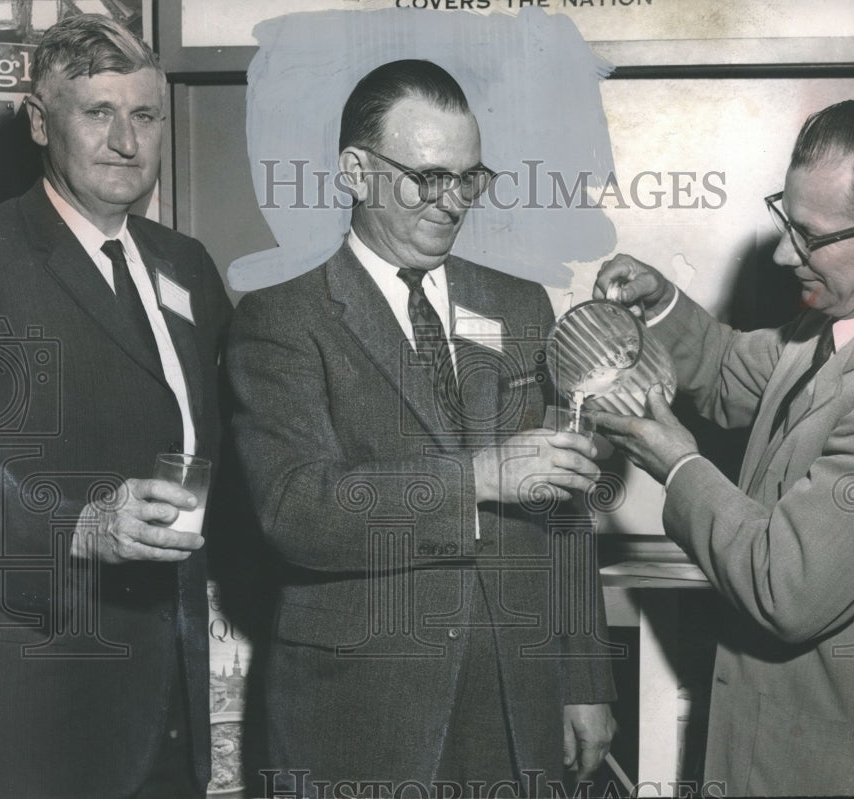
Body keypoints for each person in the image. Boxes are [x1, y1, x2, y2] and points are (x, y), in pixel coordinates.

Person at [227, 59, 617, 795]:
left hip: (514, 701)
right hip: (359, 711)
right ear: (356, 171)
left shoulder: (521, 307)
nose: (452, 202)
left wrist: (585, 677)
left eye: (468, 178)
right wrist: (480, 477)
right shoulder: (280, 320)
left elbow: (566, 510)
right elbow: (296, 508)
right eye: (427, 177)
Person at [591, 99, 854, 796]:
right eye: (785, 220)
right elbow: (723, 374)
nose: (780, 253)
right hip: (770, 750)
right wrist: (660, 304)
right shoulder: (834, 327)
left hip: (840, 771)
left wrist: (678, 465)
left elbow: (785, 586)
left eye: (809, 235)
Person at [0, 15, 232, 799]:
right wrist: (80, 527)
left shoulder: (184, 264)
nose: (127, 140)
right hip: (37, 709)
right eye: (98, 112)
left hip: (175, 706)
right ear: (38, 121)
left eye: (146, 115)